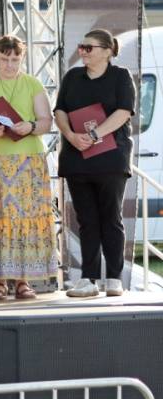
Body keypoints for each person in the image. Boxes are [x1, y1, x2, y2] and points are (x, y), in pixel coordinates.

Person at [0, 35, 57, 300]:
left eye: (15, 59)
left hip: (28, 160)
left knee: (24, 218)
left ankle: (24, 280)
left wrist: (30, 126)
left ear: (22, 58)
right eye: (5, 59)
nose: (10, 65)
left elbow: (46, 121)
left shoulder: (32, 83)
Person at [54, 28, 136, 298]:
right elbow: (60, 111)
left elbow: (123, 112)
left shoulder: (120, 76)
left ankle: (114, 278)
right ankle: (88, 279)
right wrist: (70, 136)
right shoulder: (72, 77)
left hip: (111, 159)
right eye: (81, 47)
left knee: (111, 218)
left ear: (107, 51)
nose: (83, 52)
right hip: (77, 159)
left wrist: (93, 135)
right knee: (86, 220)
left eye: (88, 48)